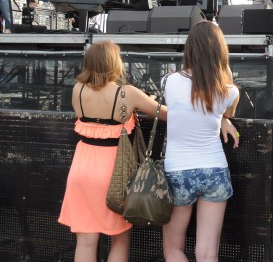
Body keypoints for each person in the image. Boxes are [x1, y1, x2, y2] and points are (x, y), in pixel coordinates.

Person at [58, 40, 168, 262]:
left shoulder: (78, 89)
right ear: (114, 62)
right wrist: (147, 101)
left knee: (85, 241)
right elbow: (165, 114)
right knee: (119, 239)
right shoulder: (127, 93)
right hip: (114, 171)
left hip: (81, 168)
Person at [162, 20, 240, 262]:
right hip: (214, 170)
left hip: (178, 172)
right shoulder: (230, 92)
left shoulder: (170, 81)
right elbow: (227, 113)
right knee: (207, 254)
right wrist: (224, 119)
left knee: (173, 249)